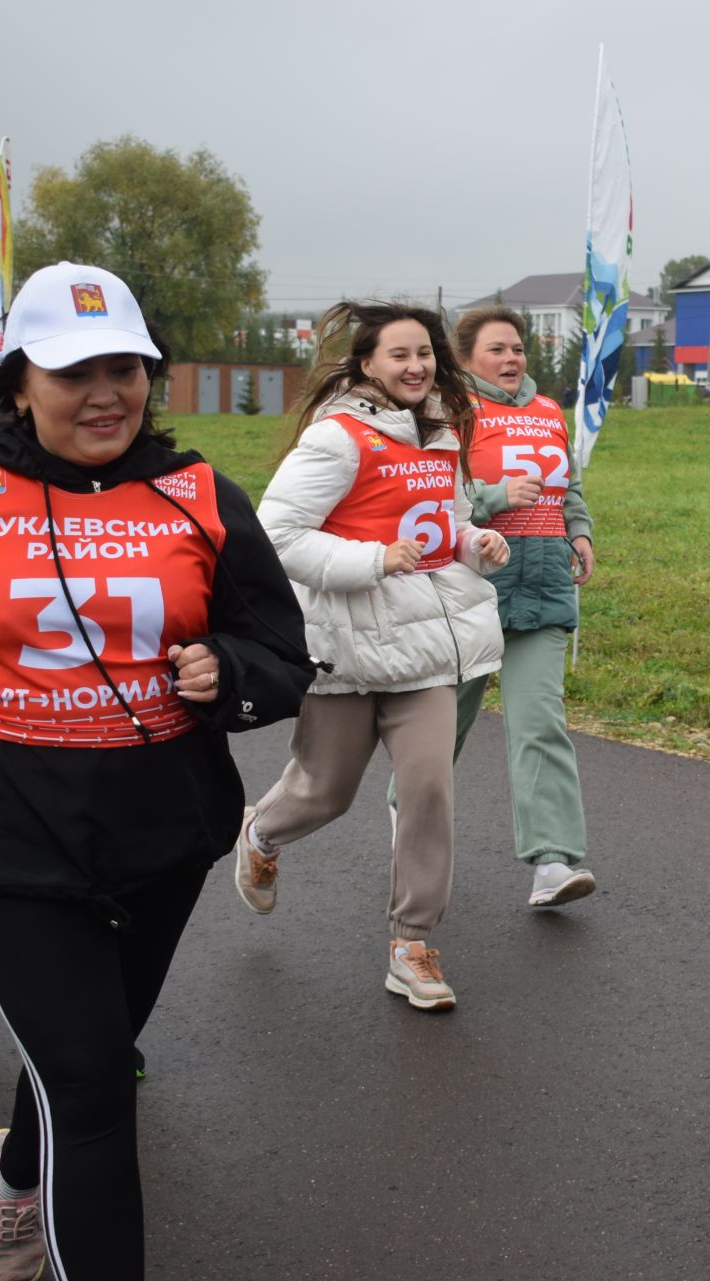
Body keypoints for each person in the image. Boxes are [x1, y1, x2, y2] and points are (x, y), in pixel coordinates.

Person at [0, 261, 316, 1281]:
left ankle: (17, 1174)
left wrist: (228, 673)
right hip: (1, 827)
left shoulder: (200, 496)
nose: (106, 393)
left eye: (126, 368)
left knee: (81, 1053)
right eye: (74, 371)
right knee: (94, 1084)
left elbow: (280, 649)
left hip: (160, 825)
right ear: (18, 385)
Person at [230, 301, 508, 1012]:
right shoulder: (339, 439)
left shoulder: (442, 433)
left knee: (428, 790)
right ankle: (261, 830)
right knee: (326, 790)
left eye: (424, 354)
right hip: (346, 648)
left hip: (422, 648)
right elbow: (276, 534)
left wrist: (476, 544)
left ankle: (411, 944)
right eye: (399, 355)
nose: (415, 367)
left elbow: (445, 522)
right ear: (366, 365)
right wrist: (370, 558)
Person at [386, 306, 597, 907]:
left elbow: (569, 487)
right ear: (467, 357)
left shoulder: (549, 412)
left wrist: (578, 531)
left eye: (519, 348)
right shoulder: (448, 413)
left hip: (545, 587)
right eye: (497, 349)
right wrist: (498, 496)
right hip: (472, 591)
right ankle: (407, 816)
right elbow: (429, 495)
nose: (512, 359)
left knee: (541, 724)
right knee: (442, 727)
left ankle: (552, 862)